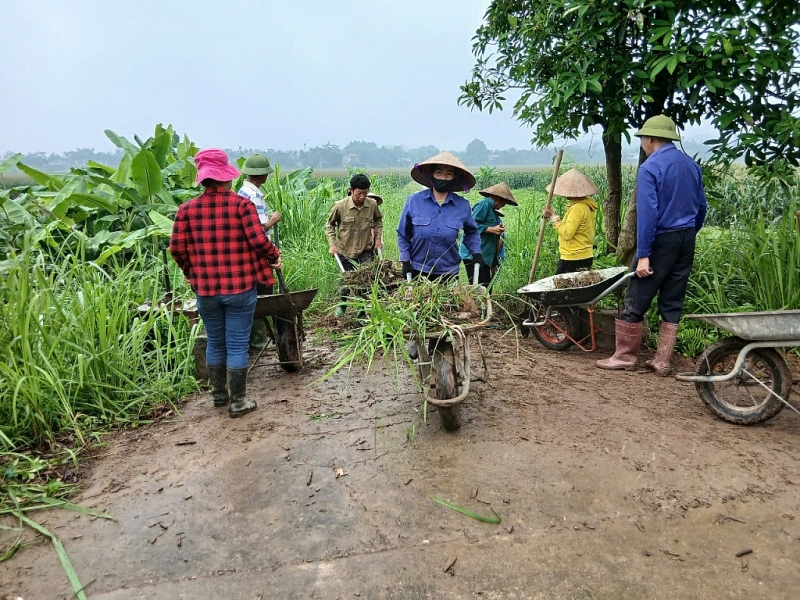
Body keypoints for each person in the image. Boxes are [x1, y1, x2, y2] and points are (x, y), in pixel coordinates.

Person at [170, 149, 282, 418]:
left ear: (204, 179)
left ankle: (219, 396)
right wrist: (274, 256)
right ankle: (238, 402)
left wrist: (191, 272)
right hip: (240, 288)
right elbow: (258, 241)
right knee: (237, 343)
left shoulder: (186, 210)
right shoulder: (241, 206)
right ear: (226, 178)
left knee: (215, 342)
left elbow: (177, 249)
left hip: (206, 290)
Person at [597, 115, 707, 375]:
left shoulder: (650, 168)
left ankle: (624, 356)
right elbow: (701, 207)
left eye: (643, 139)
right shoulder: (691, 166)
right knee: (673, 297)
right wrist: (688, 234)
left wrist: (644, 254)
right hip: (686, 237)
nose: (643, 144)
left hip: (660, 239)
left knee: (637, 295)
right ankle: (662, 360)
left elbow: (648, 215)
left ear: (651, 139)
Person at [397, 151, 484, 282]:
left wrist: (476, 253)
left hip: (448, 272)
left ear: (454, 178)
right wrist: (405, 260)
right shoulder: (414, 201)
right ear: (431, 175)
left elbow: (472, 232)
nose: (443, 177)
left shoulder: (462, 205)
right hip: (418, 270)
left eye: (449, 174)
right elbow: (403, 234)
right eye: (439, 172)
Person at [238, 153, 281, 349]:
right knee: (262, 293)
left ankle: (254, 336)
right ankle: (259, 338)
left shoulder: (242, 191)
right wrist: (273, 220)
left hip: (247, 252)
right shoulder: (254, 196)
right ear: (263, 175)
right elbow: (259, 229)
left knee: (252, 293)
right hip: (258, 252)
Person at [326, 174, 384, 317]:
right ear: (351, 190)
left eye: (365, 193)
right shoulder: (340, 206)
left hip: (365, 249)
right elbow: (330, 226)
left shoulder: (372, 205)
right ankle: (342, 303)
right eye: (359, 193)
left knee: (364, 280)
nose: (362, 196)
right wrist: (332, 245)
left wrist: (377, 239)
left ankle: (361, 308)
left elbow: (378, 221)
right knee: (345, 280)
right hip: (345, 249)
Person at [541, 168, 599, 274]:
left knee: (561, 284)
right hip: (584, 255)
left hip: (574, 258)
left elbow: (567, 233)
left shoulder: (577, 208)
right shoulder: (586, 205)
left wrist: (553, 216)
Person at [459, 182, 517, 286]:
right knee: (479, 287)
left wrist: (494, 262)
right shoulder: (483, 205)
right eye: (504, 203)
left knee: (486, 287)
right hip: (473, 255)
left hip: (485, 256)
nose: (503, 205)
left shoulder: (492, 211)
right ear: (499, 199)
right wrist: (491, 229)